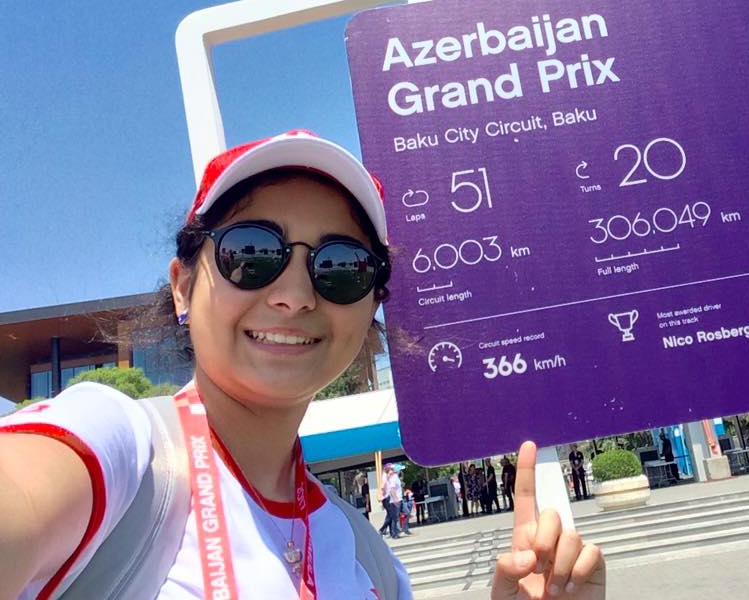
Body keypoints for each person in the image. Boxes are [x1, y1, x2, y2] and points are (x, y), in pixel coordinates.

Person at [0, 130, 605, 599]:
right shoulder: (119, 454)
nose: (294, 294)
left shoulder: (369, 559)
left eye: (341, 266)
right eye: (251, 252)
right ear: (183, 285)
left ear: (371, 308)